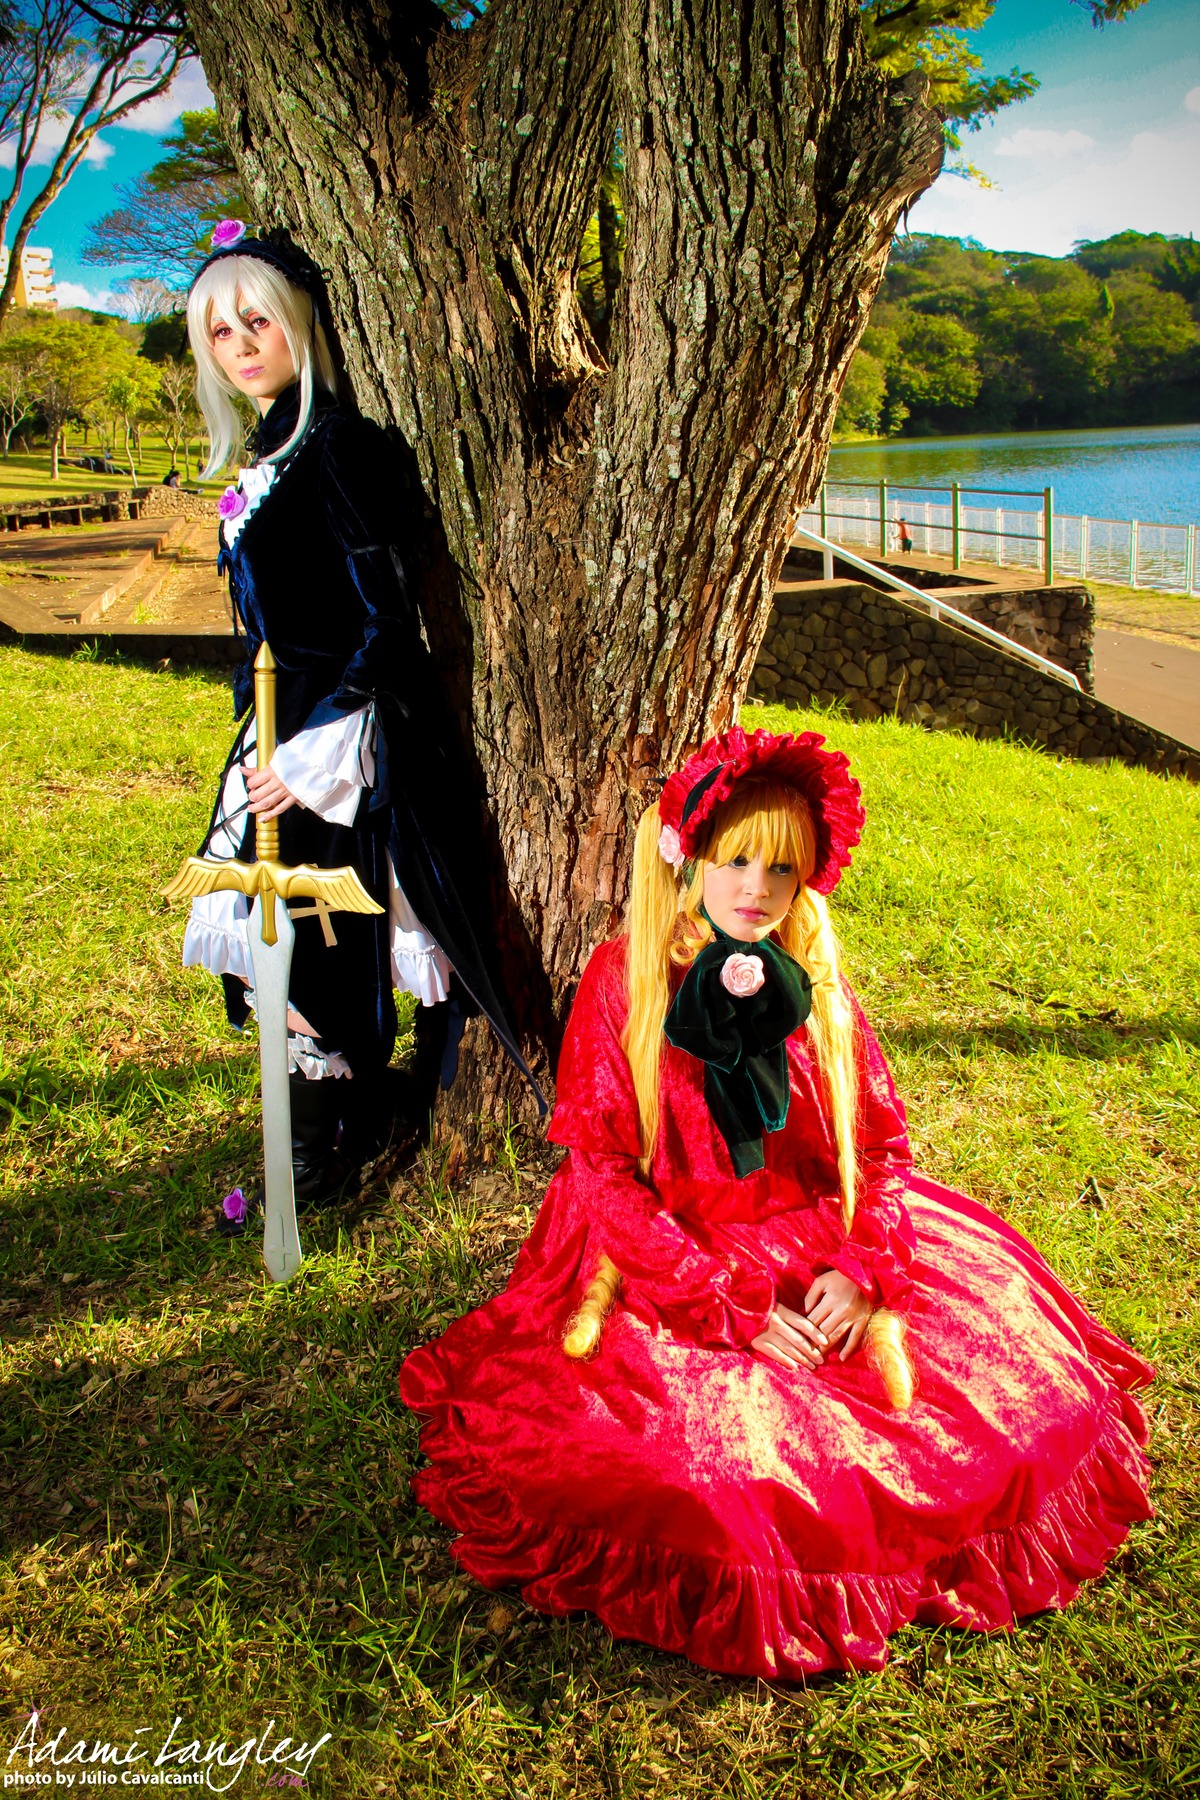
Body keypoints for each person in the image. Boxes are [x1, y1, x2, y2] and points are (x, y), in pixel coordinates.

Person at [399, 726, 1153, 1681]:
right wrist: (725, 1302)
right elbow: (600, 1178)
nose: (757, 887)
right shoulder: (622, 981)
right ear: (690, 860)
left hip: (813, 1235)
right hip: (664, 1254)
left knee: (1006, 1411)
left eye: (782, 868)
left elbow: (877, 1151)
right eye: (737, 859)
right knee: (707, 1477)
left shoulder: (818, 984)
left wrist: (866, 1266)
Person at [182, 220, 540, 1221]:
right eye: (220, 331)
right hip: (277, 726)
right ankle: (324, 1134)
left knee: (313, 939)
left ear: (300, 323)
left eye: (258, 320)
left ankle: (315, 1158)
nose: (241, 344)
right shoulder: (272, 456)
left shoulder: (341, 451)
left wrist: (313, 755)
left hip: (337, 740)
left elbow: (391, 624)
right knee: (278, 941)